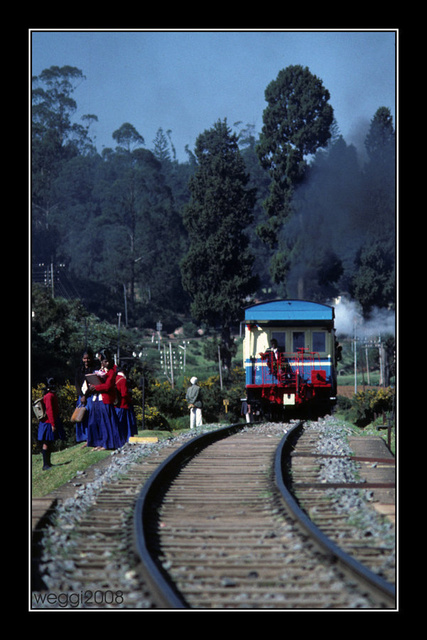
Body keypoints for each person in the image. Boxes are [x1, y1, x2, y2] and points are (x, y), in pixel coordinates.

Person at [87, 350, 126, 450]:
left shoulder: (112, 372)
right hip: (97, 399)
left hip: (105, 399)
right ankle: (98, 442)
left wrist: (96, 387)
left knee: (106, 423)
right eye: (103, 361)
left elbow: (108, 386)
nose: (104, 363)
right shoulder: (99, 371)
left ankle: (107, 443)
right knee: (96, 422)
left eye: (105, 361)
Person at [37, 378, 65, 470]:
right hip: (48, 422)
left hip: (48, 422)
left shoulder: (50, 395)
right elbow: (50, 411)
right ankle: (45, 465)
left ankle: (48, 463)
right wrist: (53, 424)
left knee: (48, 442)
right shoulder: (49, 396)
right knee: (46, 442)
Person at [74, 349, 97, 446]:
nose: (86, 360)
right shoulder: (79, 370)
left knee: (90, 416)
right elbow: (77, 384)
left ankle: (90, 437)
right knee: (80, 416)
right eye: (84, 358)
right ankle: (82, 437)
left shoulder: (94, 369)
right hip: (81, 397)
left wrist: (85, 396)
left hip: (90, 397)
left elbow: (93, 384)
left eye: (88, 358)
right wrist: (81, 396)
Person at [115, 365, 137, 440]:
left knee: (118, 422)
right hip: (123, 404)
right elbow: (124, 394)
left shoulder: (115, 378)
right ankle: (126, 437)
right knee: (125, 423)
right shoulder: (123, 380)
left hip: (116, 404)